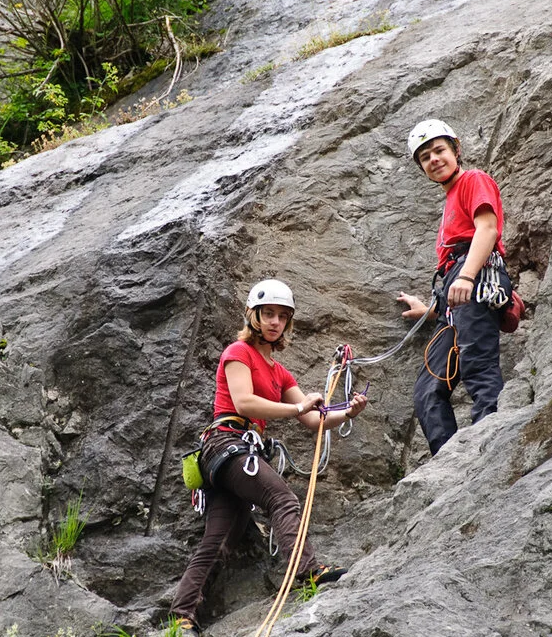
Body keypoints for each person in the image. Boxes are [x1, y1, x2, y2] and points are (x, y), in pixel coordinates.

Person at [168, 279, 368, 637]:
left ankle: (182, 615)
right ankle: (307, 572)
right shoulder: (237, 352)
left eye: (282, 316)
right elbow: (244, 403)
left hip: (239, 454)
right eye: (268, 314)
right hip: (226, 445)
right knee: (281, 497)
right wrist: (296, 405)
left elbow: (311, 420)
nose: (275, 322)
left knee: (218, 539)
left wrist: (346, 414)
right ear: (253, 315)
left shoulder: (279, 372)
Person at [397, 119, 512, 456]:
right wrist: (432, 310)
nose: (434, 159)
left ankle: (487, 442)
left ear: (456, 150)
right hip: (454, 293)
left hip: (474, 277)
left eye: (439, 150)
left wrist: (465, 277)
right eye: (425, 157)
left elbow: (487, 230)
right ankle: (447, 460)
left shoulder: (473, 180)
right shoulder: (449, 201)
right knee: (427, 389)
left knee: (477, 364)